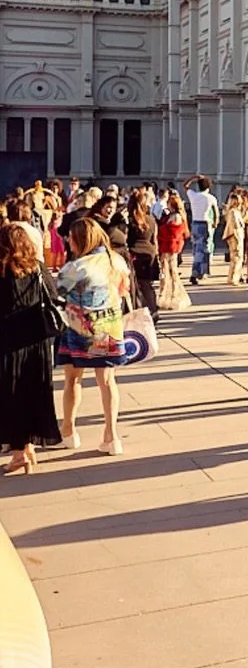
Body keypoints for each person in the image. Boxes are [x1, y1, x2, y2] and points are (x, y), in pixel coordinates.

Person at [56, 214, 128, 456]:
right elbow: (123, 291)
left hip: (79, 328)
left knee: (72, 379)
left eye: (71, 237)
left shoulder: (75, 268)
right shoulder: (117, 261)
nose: (68, 240)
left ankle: (69, 431)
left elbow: (57, 294)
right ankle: (111, 435)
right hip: (109, 326)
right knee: (107, 381)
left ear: (80, 240)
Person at [0, 220, 62, 472]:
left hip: (8, 342)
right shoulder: (37, 267)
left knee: (11, 395)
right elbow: (54, 295)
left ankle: (18, 453)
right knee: (34, 392)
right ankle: (28, 448)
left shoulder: (2, 270)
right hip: (36, 341)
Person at [125, 191, 160, 322]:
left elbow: (126, 240)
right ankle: (153, 309)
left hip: (135, 254)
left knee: (134, 286)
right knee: (147, 285)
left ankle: (139, 310)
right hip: (149, 253)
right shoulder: (151, 219)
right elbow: (154, 239)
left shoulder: (129, 220)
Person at [156, 191, 191, 311]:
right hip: (166, 247)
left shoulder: (176, 217)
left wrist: (161, 230)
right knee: (164, 273)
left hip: (171, 248)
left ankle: (174, 297)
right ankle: (164, 296)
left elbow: (174, 233)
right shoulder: (170, 215)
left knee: (171, 272)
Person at [184, 175, 219, 284]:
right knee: (204, 249)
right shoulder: (211, 198)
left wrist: (194, 178)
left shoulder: (194, 196)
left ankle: (199, 271)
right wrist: (215, 223)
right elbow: (216, 212)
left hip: (195, 223)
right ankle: (198, 272)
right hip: (205, 223)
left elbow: (185, 186)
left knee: (197, 248)